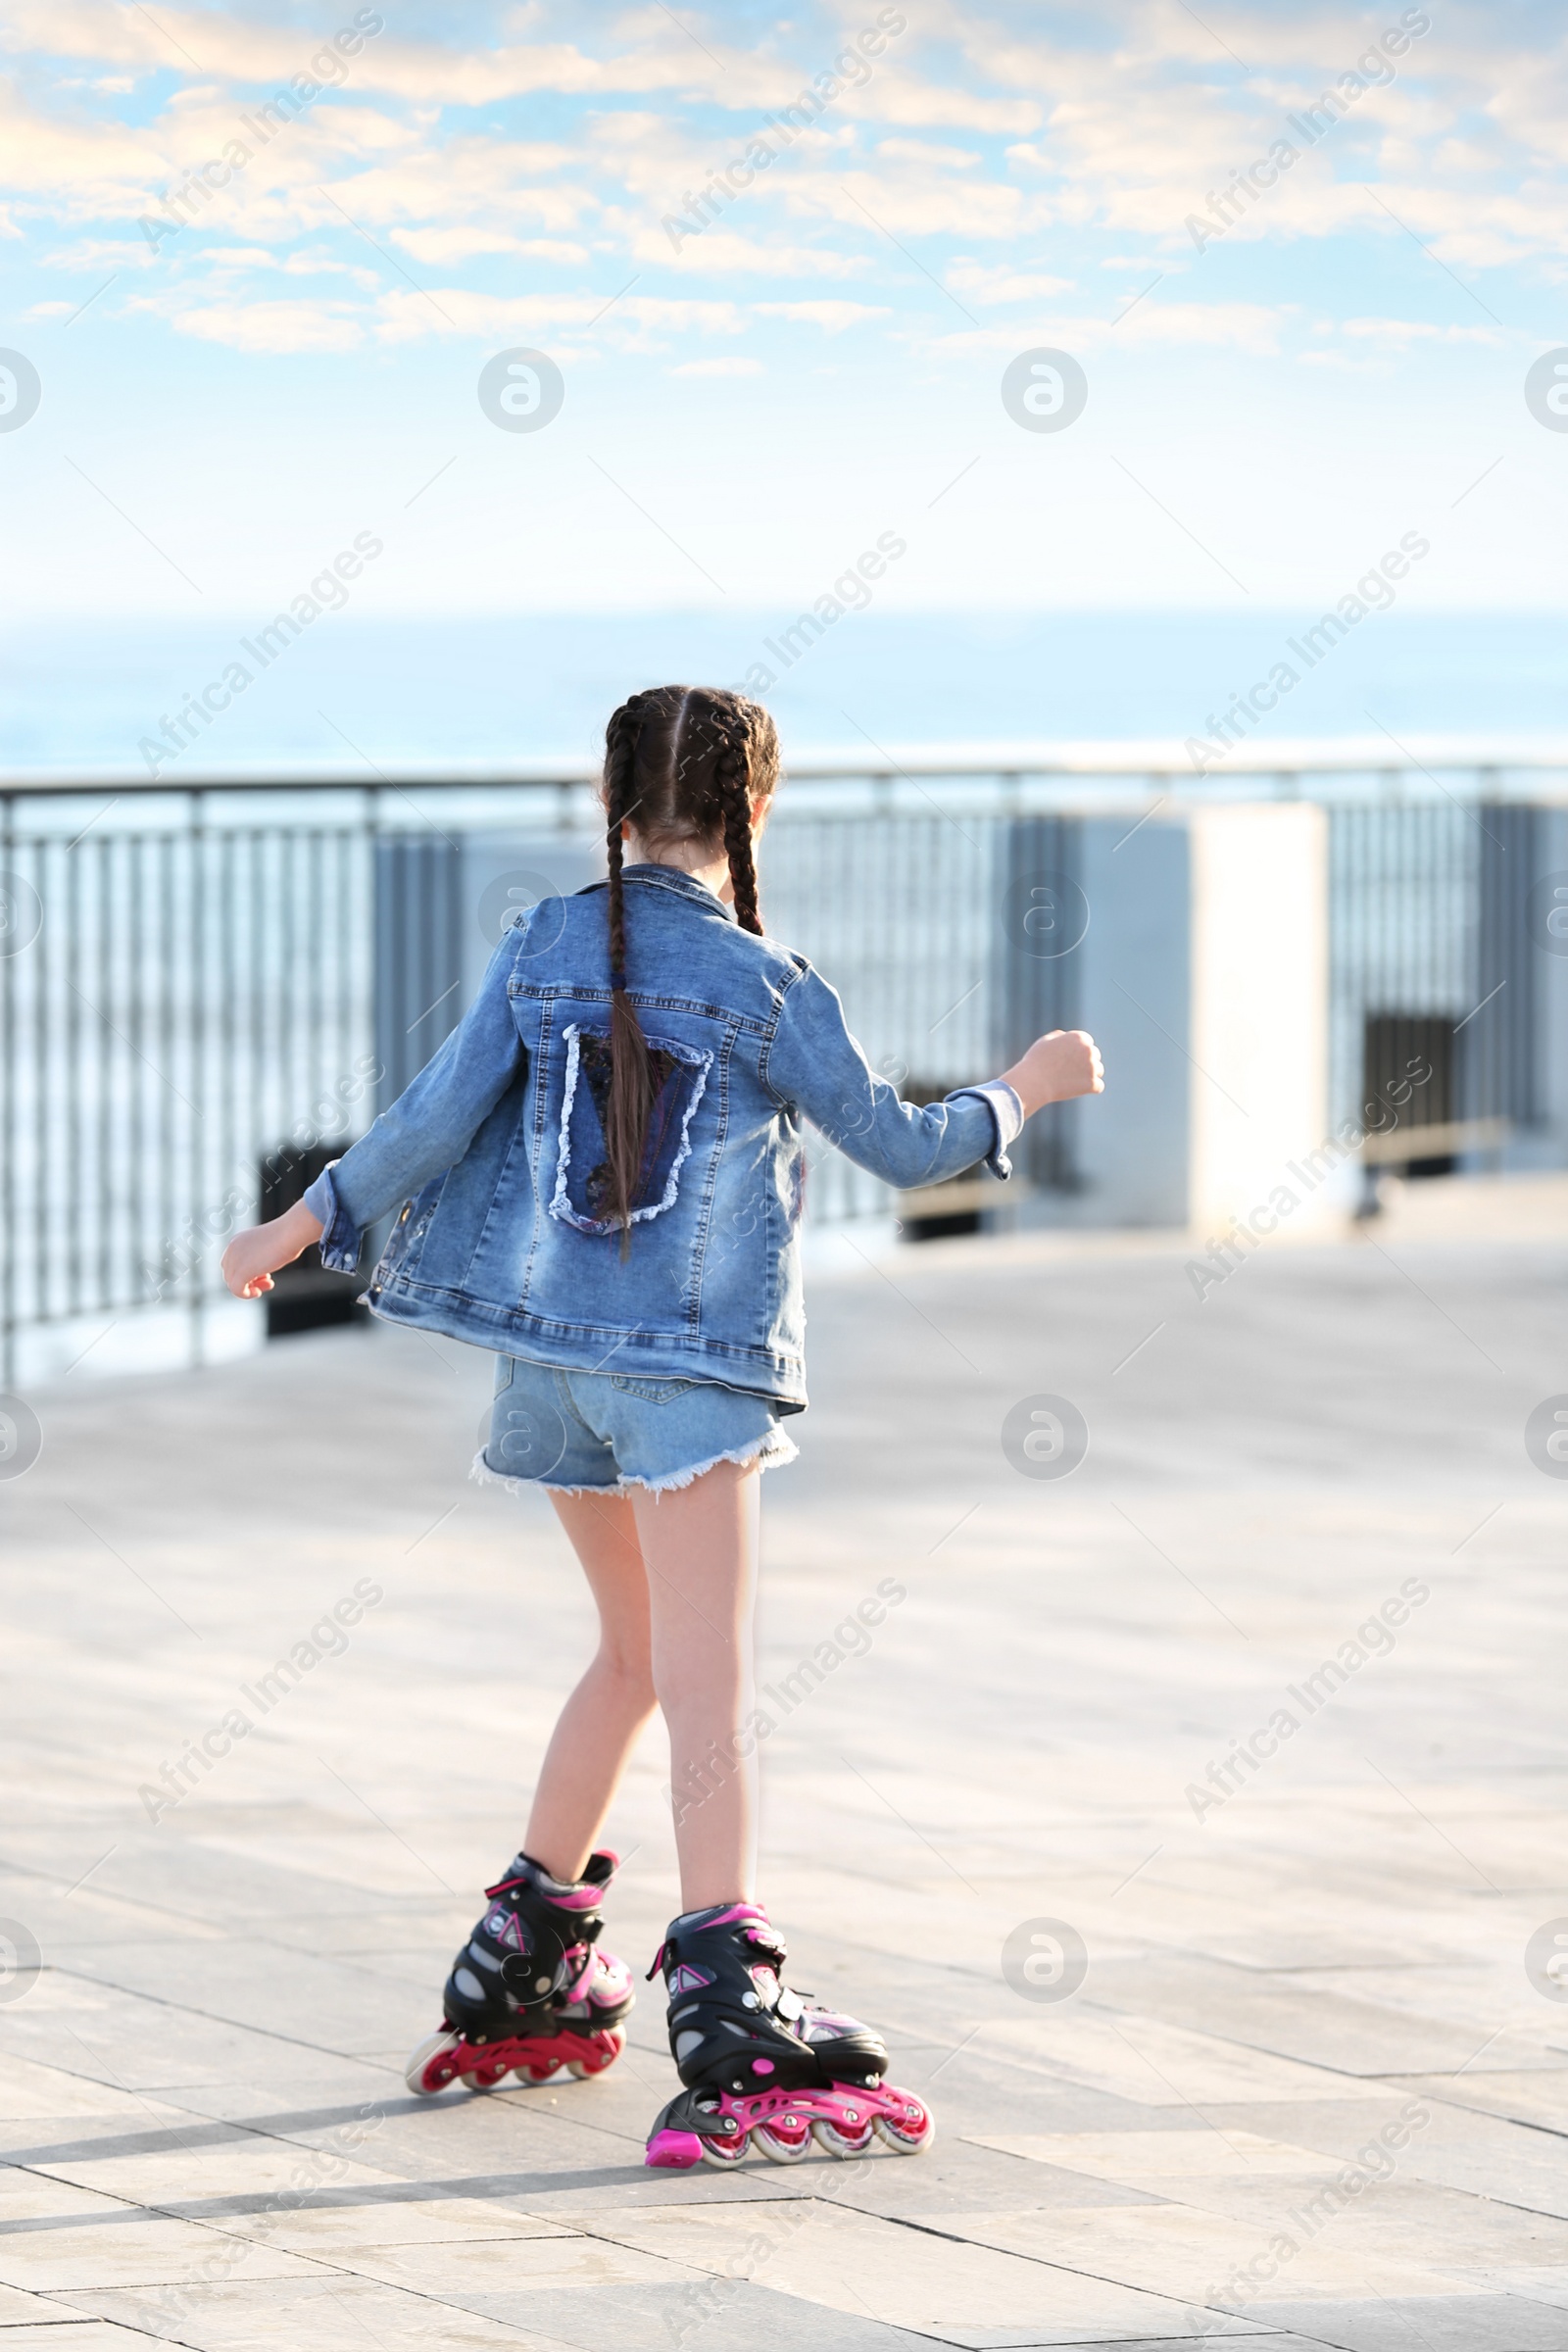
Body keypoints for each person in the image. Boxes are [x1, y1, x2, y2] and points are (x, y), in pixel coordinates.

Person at [221, 684, 1103, 2168]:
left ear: (613, 800)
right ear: (753, 810)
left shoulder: (539, 944)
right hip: (688, 1382)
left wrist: (303, 1222)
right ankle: (729, 2004)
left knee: (631, 1659)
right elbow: (896, 1143)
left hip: (550, 1370)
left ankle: (525, 1957)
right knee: (707, 1685)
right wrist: (1023, 1091)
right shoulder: (766, 983)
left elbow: (430, 1117)